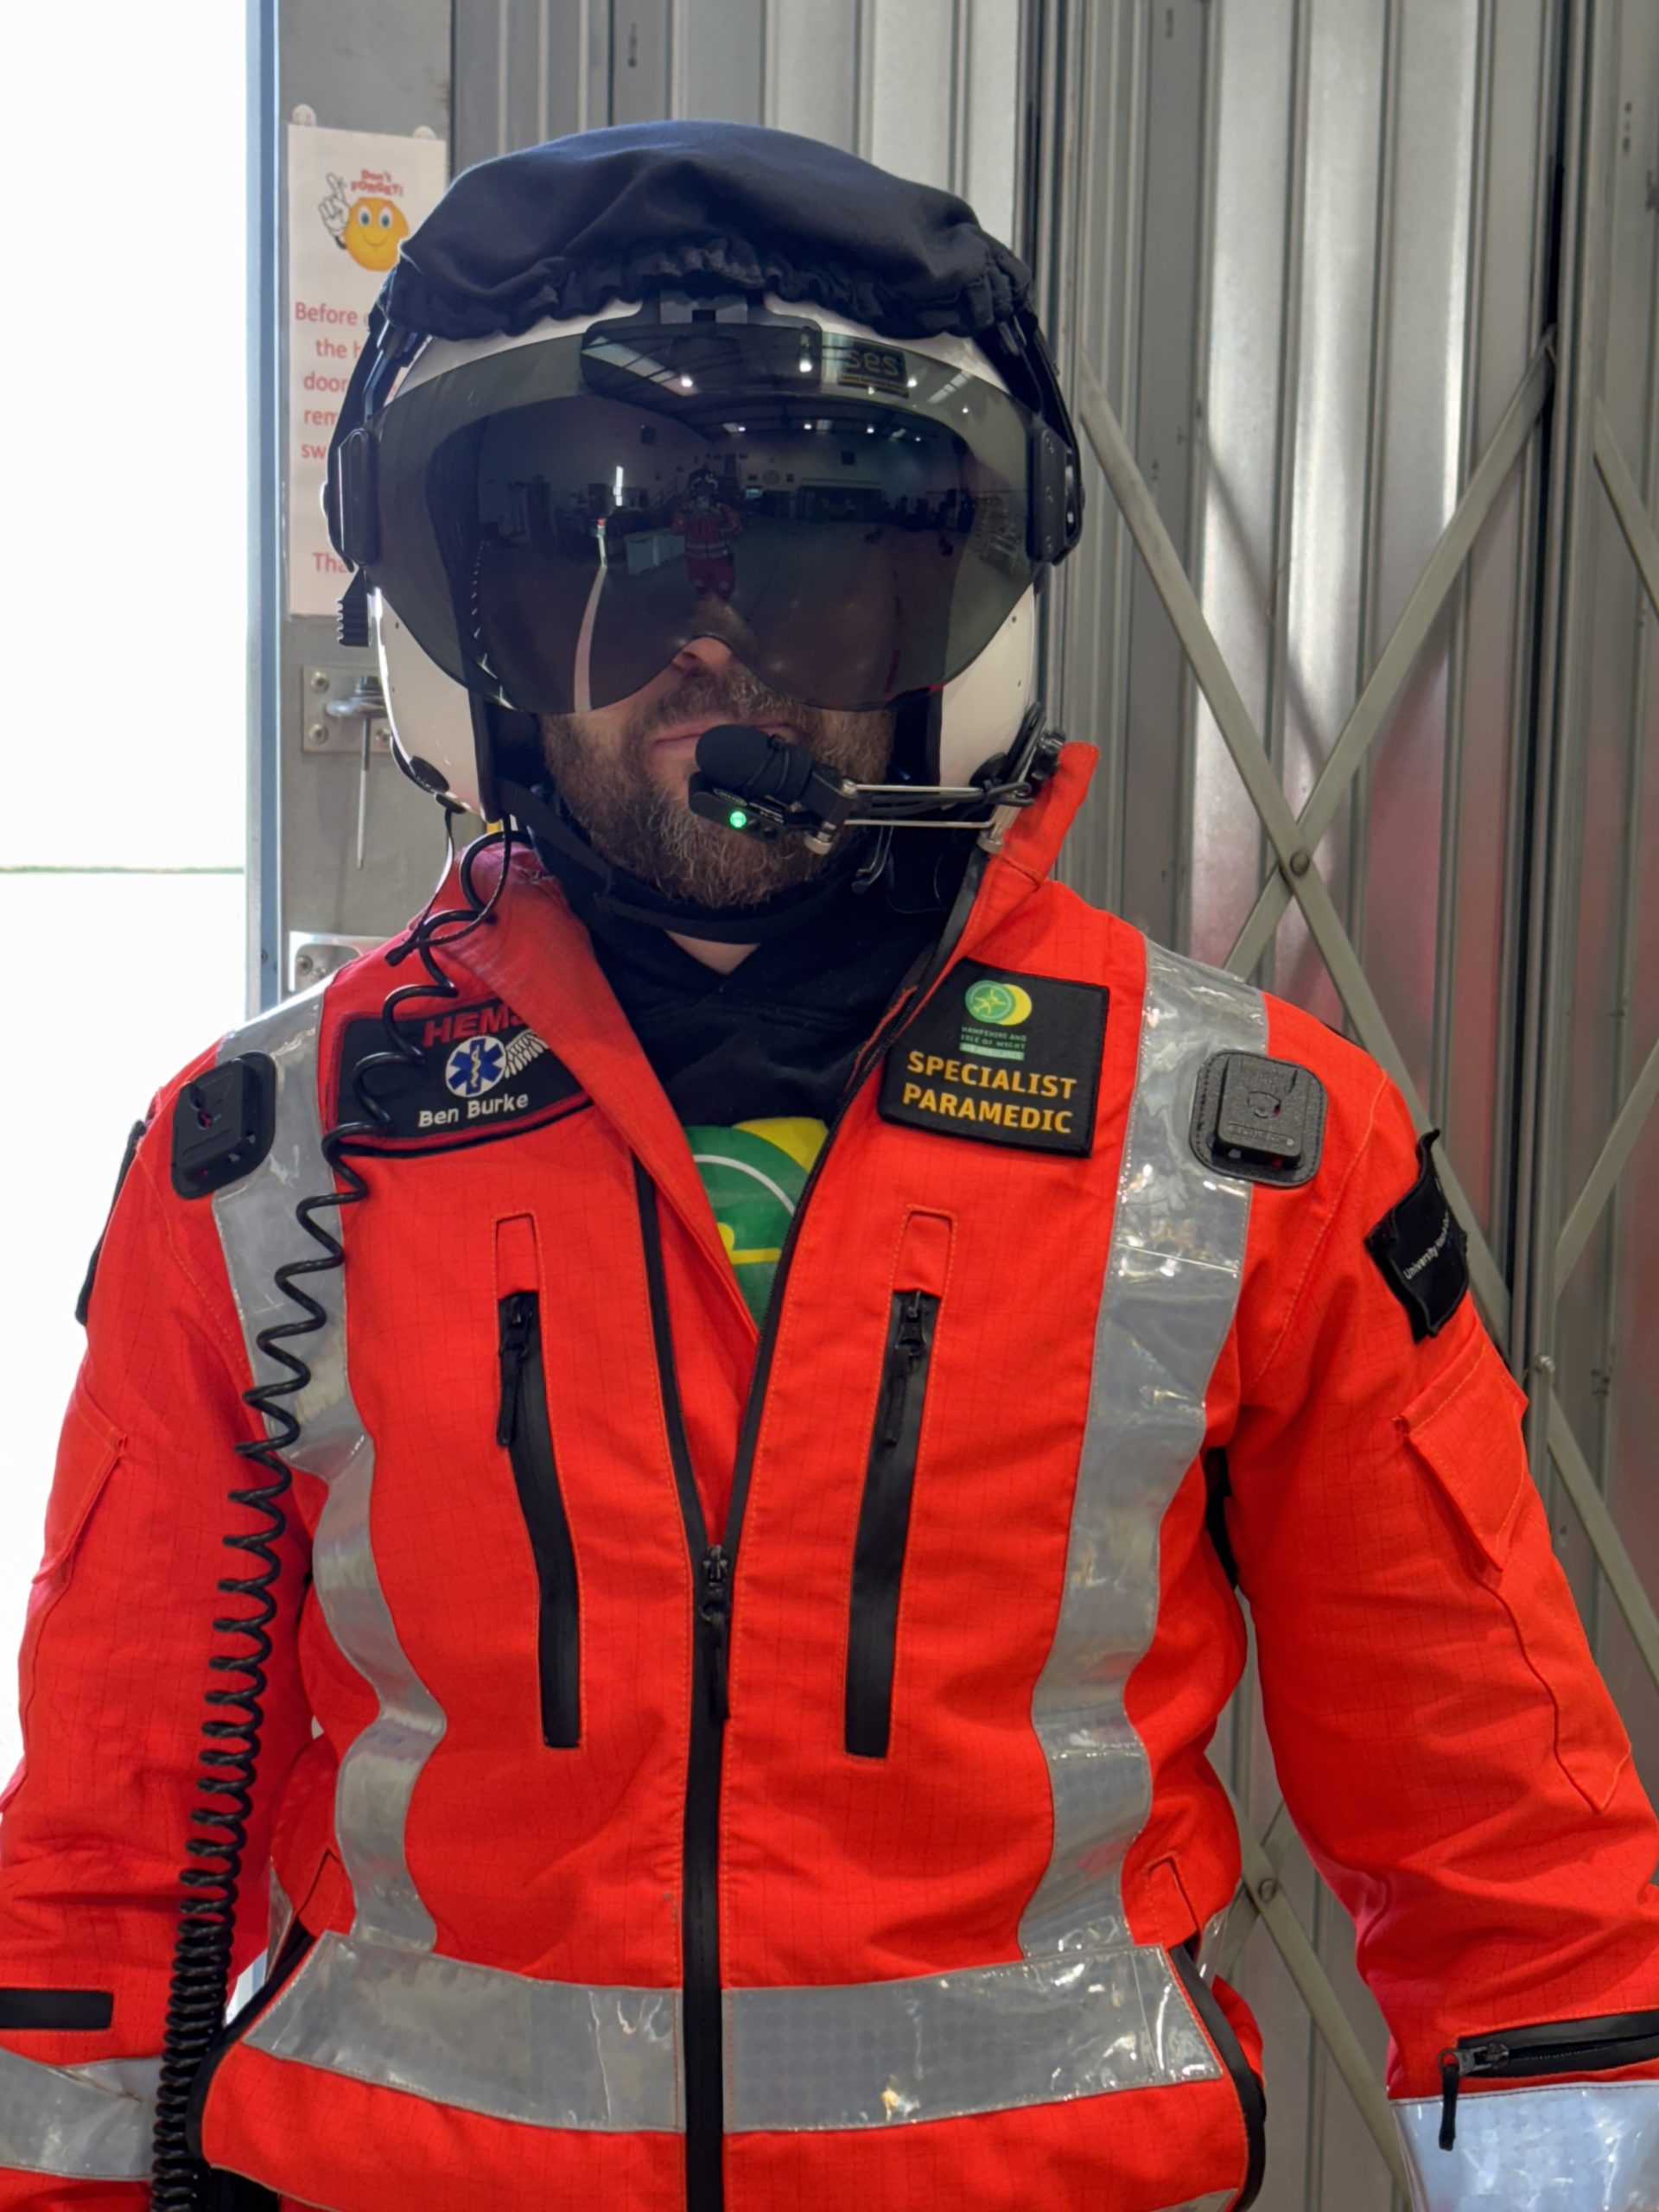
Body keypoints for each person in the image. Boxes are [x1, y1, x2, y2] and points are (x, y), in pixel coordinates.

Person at [2, 119, 1656, 2212]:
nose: (707, 642)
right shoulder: (253, 1173)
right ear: (465, 630)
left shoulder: (1250, 1149)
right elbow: (99, 1873)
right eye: (588, 546)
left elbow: (1509, 1860)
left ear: (946, 612)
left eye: (802, 544)